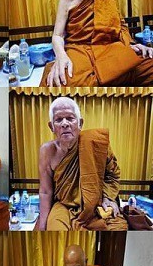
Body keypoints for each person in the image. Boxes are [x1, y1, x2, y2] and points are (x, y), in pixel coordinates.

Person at [41, 0, 153, 87]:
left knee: (148, 65)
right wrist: (61, 56)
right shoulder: (66, 0)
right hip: (79, 49)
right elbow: (57, 36)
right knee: (60, 80)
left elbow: (120, 26)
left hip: (109, 47)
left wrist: (130, 44)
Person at [37, 97, 127, 231]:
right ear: (51, 127)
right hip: (64, 206)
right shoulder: (47, 151)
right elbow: (45, 191)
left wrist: (108, 198)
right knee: (54, 229)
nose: (65, 124)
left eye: (70, 118)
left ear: (80, 123)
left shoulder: (96, 143)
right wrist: (42, 225)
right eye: (58, 119)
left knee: (119, 228)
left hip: (96, 205)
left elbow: (112, 175)